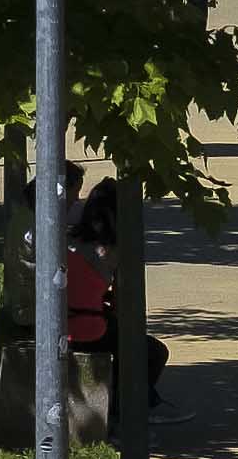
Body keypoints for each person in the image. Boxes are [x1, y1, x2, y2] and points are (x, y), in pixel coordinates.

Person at [66, 171, 175, 419]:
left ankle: (133, 401)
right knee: (152, 351)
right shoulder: (112, 252)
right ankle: (124, 408)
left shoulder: (69, 239)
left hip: (61, 322)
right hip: (88, 329)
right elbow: (122, 303)